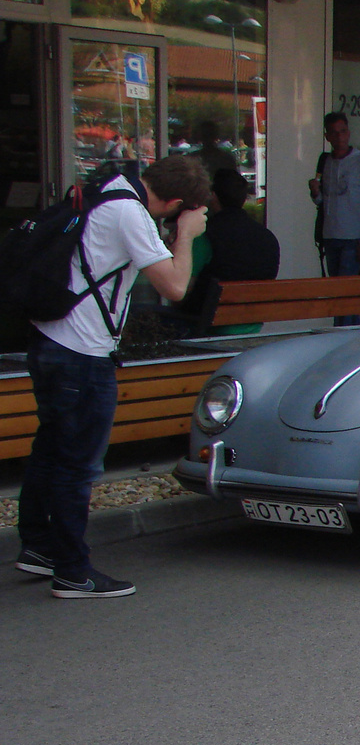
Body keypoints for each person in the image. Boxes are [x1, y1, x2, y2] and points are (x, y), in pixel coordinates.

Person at [15, 156, 210, 599]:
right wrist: (186, 236)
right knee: (77, 465)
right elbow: (176, 287)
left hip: (50, 340)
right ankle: (72, 571)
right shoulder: (129, 212)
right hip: (81, 353)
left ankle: (39, 547)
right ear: (177, 202)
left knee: (50, 449)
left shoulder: (109, 187)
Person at [177, 167, 279, 334]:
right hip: (251, 325)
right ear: (244, 199)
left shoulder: (205, 236)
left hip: (206, 327)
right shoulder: (267, 238)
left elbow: (182, 289)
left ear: (214, 197)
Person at [308, 110, 360, 324]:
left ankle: (345, 333)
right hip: (331, 236)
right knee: (339, 294)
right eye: (334, 133)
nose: (340, 137)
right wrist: (315, 193)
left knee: (345, 296)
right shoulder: (326, 162)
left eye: (343, 132)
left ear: (348, 133)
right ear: (327, 136)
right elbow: (324, 201)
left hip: (353, 238)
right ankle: (348, 333)